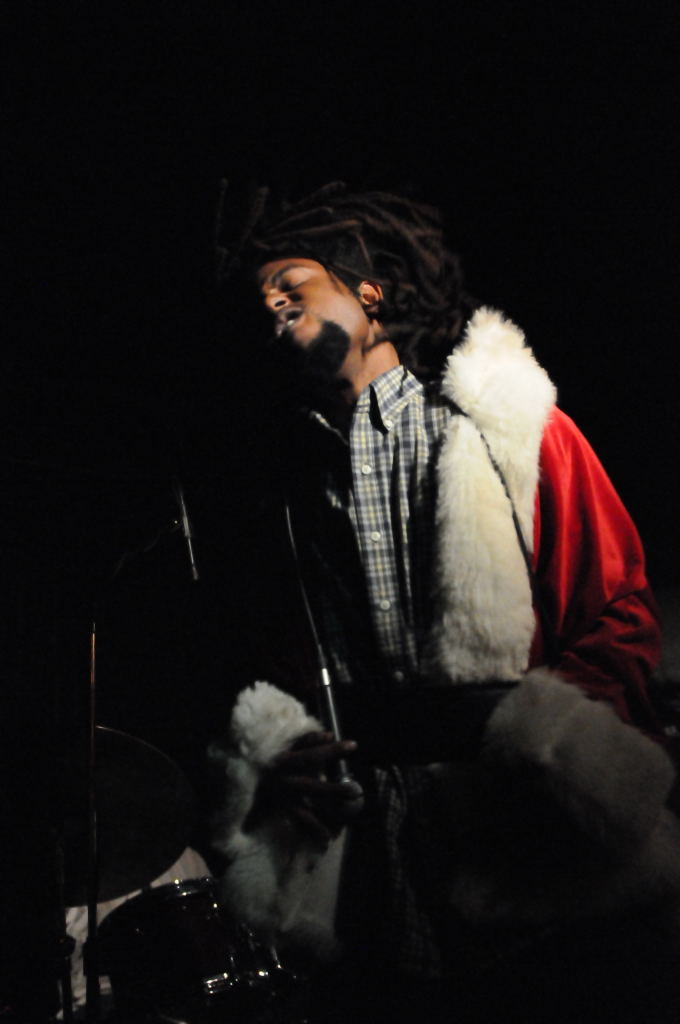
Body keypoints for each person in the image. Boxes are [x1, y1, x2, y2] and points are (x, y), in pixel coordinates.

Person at [210, 182, 680, 1023]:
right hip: (381, 871)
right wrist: (282, 753)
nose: (271, 302)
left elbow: (620, 612)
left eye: (291, 282)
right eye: (261, 299)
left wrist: (536, 740)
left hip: (530, 851)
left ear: (369, 294)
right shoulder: (283, 494)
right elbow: (273, 662)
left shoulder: (507, 430)